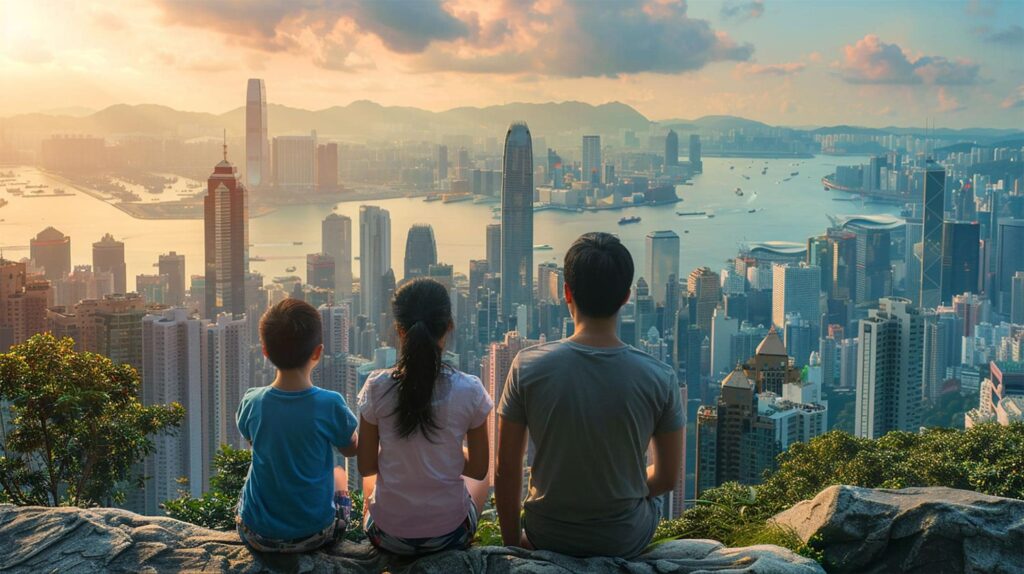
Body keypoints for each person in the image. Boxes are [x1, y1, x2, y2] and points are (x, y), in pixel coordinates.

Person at [495, 232, 685, 558]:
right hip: (623, 538)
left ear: (566, 292)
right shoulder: (660, 377)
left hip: (547, 533)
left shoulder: (526, 366)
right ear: (626, 297)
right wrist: (621, 491)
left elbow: (506, 469)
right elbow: (667, 478)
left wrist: (513, 547)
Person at [357, 278, 492, 556]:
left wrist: (404, 455)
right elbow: (478, 469)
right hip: (450, 535)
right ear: (449, 326)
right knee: (482, 482)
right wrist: (445, 454)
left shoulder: (376, 386)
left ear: (399, 330)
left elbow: (366, 464)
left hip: (388, 536)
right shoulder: (470, 390)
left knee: (369, 483)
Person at [235, 298, 359, 553]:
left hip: (256, 534)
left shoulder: (253, 401)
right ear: (318, 352)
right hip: (314, 534)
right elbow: (351, 449)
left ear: (265, 352)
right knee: (339, 476)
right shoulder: (330, 404)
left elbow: (253, 440)